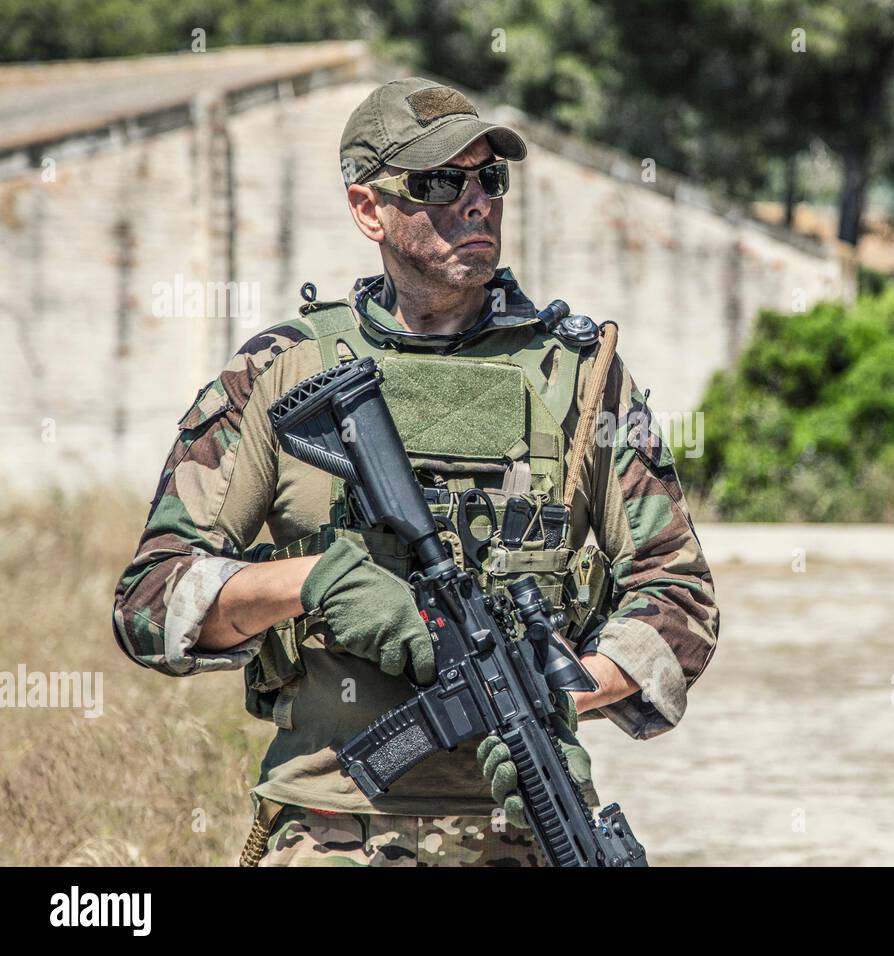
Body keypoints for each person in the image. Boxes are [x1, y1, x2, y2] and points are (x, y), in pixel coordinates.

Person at [111, 78, 719, 866]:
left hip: (526, 831)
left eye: (488, 178)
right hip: (332, 827)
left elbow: (680, 597)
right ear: (369, 210)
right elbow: (151, 599)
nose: (477, 202)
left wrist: (564, 688)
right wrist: (315, 581)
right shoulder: (282, 373)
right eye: (438, 183)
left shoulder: (581, 375)